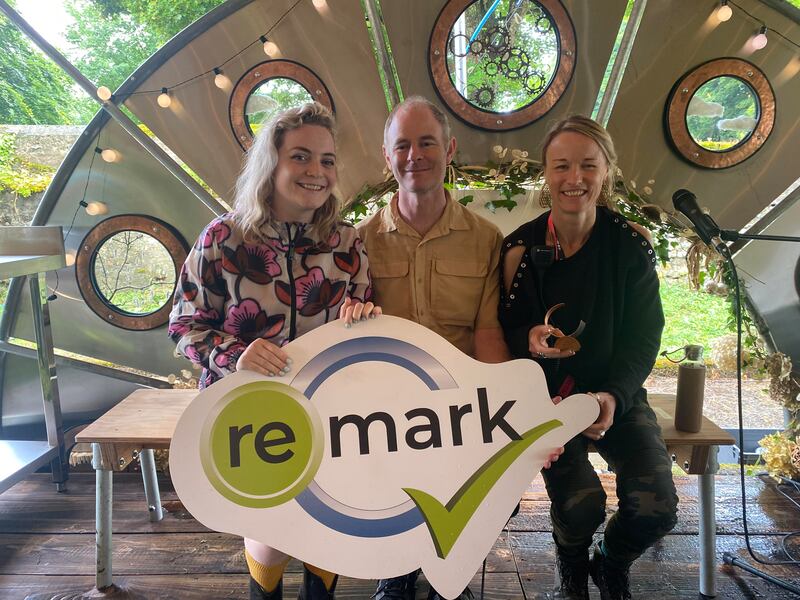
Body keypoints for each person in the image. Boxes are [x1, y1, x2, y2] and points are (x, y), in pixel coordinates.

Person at [168, 102, 378, 600]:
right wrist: (233, 355)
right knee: (270, 538)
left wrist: (364, 321)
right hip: (248, 420)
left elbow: (365, 313)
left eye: (327, 160)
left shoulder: (346, 241)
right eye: (301, 157)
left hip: (332, 415)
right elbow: (184, 325)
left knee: (328, 529)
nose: (316, 172)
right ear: (272, 163)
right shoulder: (223, 238)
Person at [358, 96, 560, 600]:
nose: (415, 155)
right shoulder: (359, 242)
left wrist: (502, 417)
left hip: (457, 407)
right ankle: (399, 570)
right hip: (387, 410)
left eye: (427, 142)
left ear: (448, 149)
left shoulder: (485, 239)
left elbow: (488, 333)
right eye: (402, 145)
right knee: (386, 485)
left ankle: (451, 568)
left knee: (498, 489)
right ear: (387, 158)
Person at [498, 115, 679, 600]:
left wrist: (613, 398)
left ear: (607, 172)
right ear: (546, 172)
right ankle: (572, 565)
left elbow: (645, 337)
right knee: (581, 505)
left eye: (587, 166)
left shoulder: (630, 246)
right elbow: (504, 327)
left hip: (616, 394)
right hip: (548, 403)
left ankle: (610, 561)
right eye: (561, 166)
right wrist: (527, 337)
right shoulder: (519, 248)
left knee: (657, 506)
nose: (573, 178)